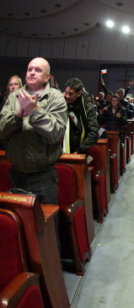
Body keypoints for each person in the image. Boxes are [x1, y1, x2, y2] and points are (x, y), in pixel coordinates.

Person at [0, 57, 67, 249]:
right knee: (18, 229)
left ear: (47, 77)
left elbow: (55, 133)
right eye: (29, 69)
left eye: (37, 70)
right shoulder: (14, 97)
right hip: (16, 174)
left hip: (43, 176)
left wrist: (34, 111)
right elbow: (1, 130)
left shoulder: (55, 97)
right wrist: (18, 115)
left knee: (46, 230)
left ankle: (53, 274)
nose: (31, 73)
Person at [62, 77, 99, 154]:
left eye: (70, 94)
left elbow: (93, 133)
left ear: (79, 93)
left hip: (80, 150)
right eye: (66, 93)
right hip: (61, 148)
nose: (67, 96)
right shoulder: (62, 102)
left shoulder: (87, 107)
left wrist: (79, 151)